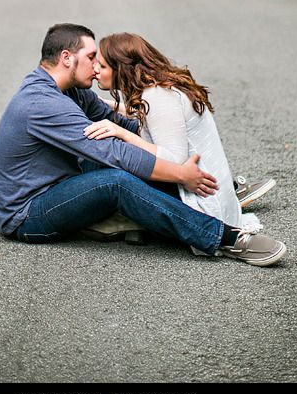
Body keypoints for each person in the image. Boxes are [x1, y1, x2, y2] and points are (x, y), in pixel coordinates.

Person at [0, 23, 287, 266]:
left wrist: (160, 134)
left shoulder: (70, 91)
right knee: (115, 181)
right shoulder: (42, 103)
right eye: (92, 56)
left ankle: (208, 191)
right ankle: (224, 238)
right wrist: (179, 174)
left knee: (123, 160)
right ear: (67, 58)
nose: (96, 66)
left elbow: (118, 122)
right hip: (28, 213)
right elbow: (114, 153)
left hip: (64, 182)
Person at [87, 32, 277, 243]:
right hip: (208, 192)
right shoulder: (157, 90)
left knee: (114, 162)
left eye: (102, 66)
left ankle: (129, 221)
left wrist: (122, 133)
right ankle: (133, 222)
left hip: (202, 203)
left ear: (123, 69)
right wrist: (106, 104)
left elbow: (175, 162)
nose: (95, 69)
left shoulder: (157, 96)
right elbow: (150, 119)